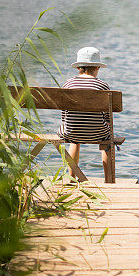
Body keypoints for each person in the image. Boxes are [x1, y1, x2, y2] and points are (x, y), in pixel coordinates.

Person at [58, 46, 112, 179]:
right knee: (107, 139)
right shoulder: (102, 86)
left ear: (78, 67)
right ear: (97, 67)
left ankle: (72, 177)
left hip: (71, 131)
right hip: (98, 132)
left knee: (73, 138)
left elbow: (64, 114)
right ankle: (109, 180)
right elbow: (107, 117)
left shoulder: (68, 84)